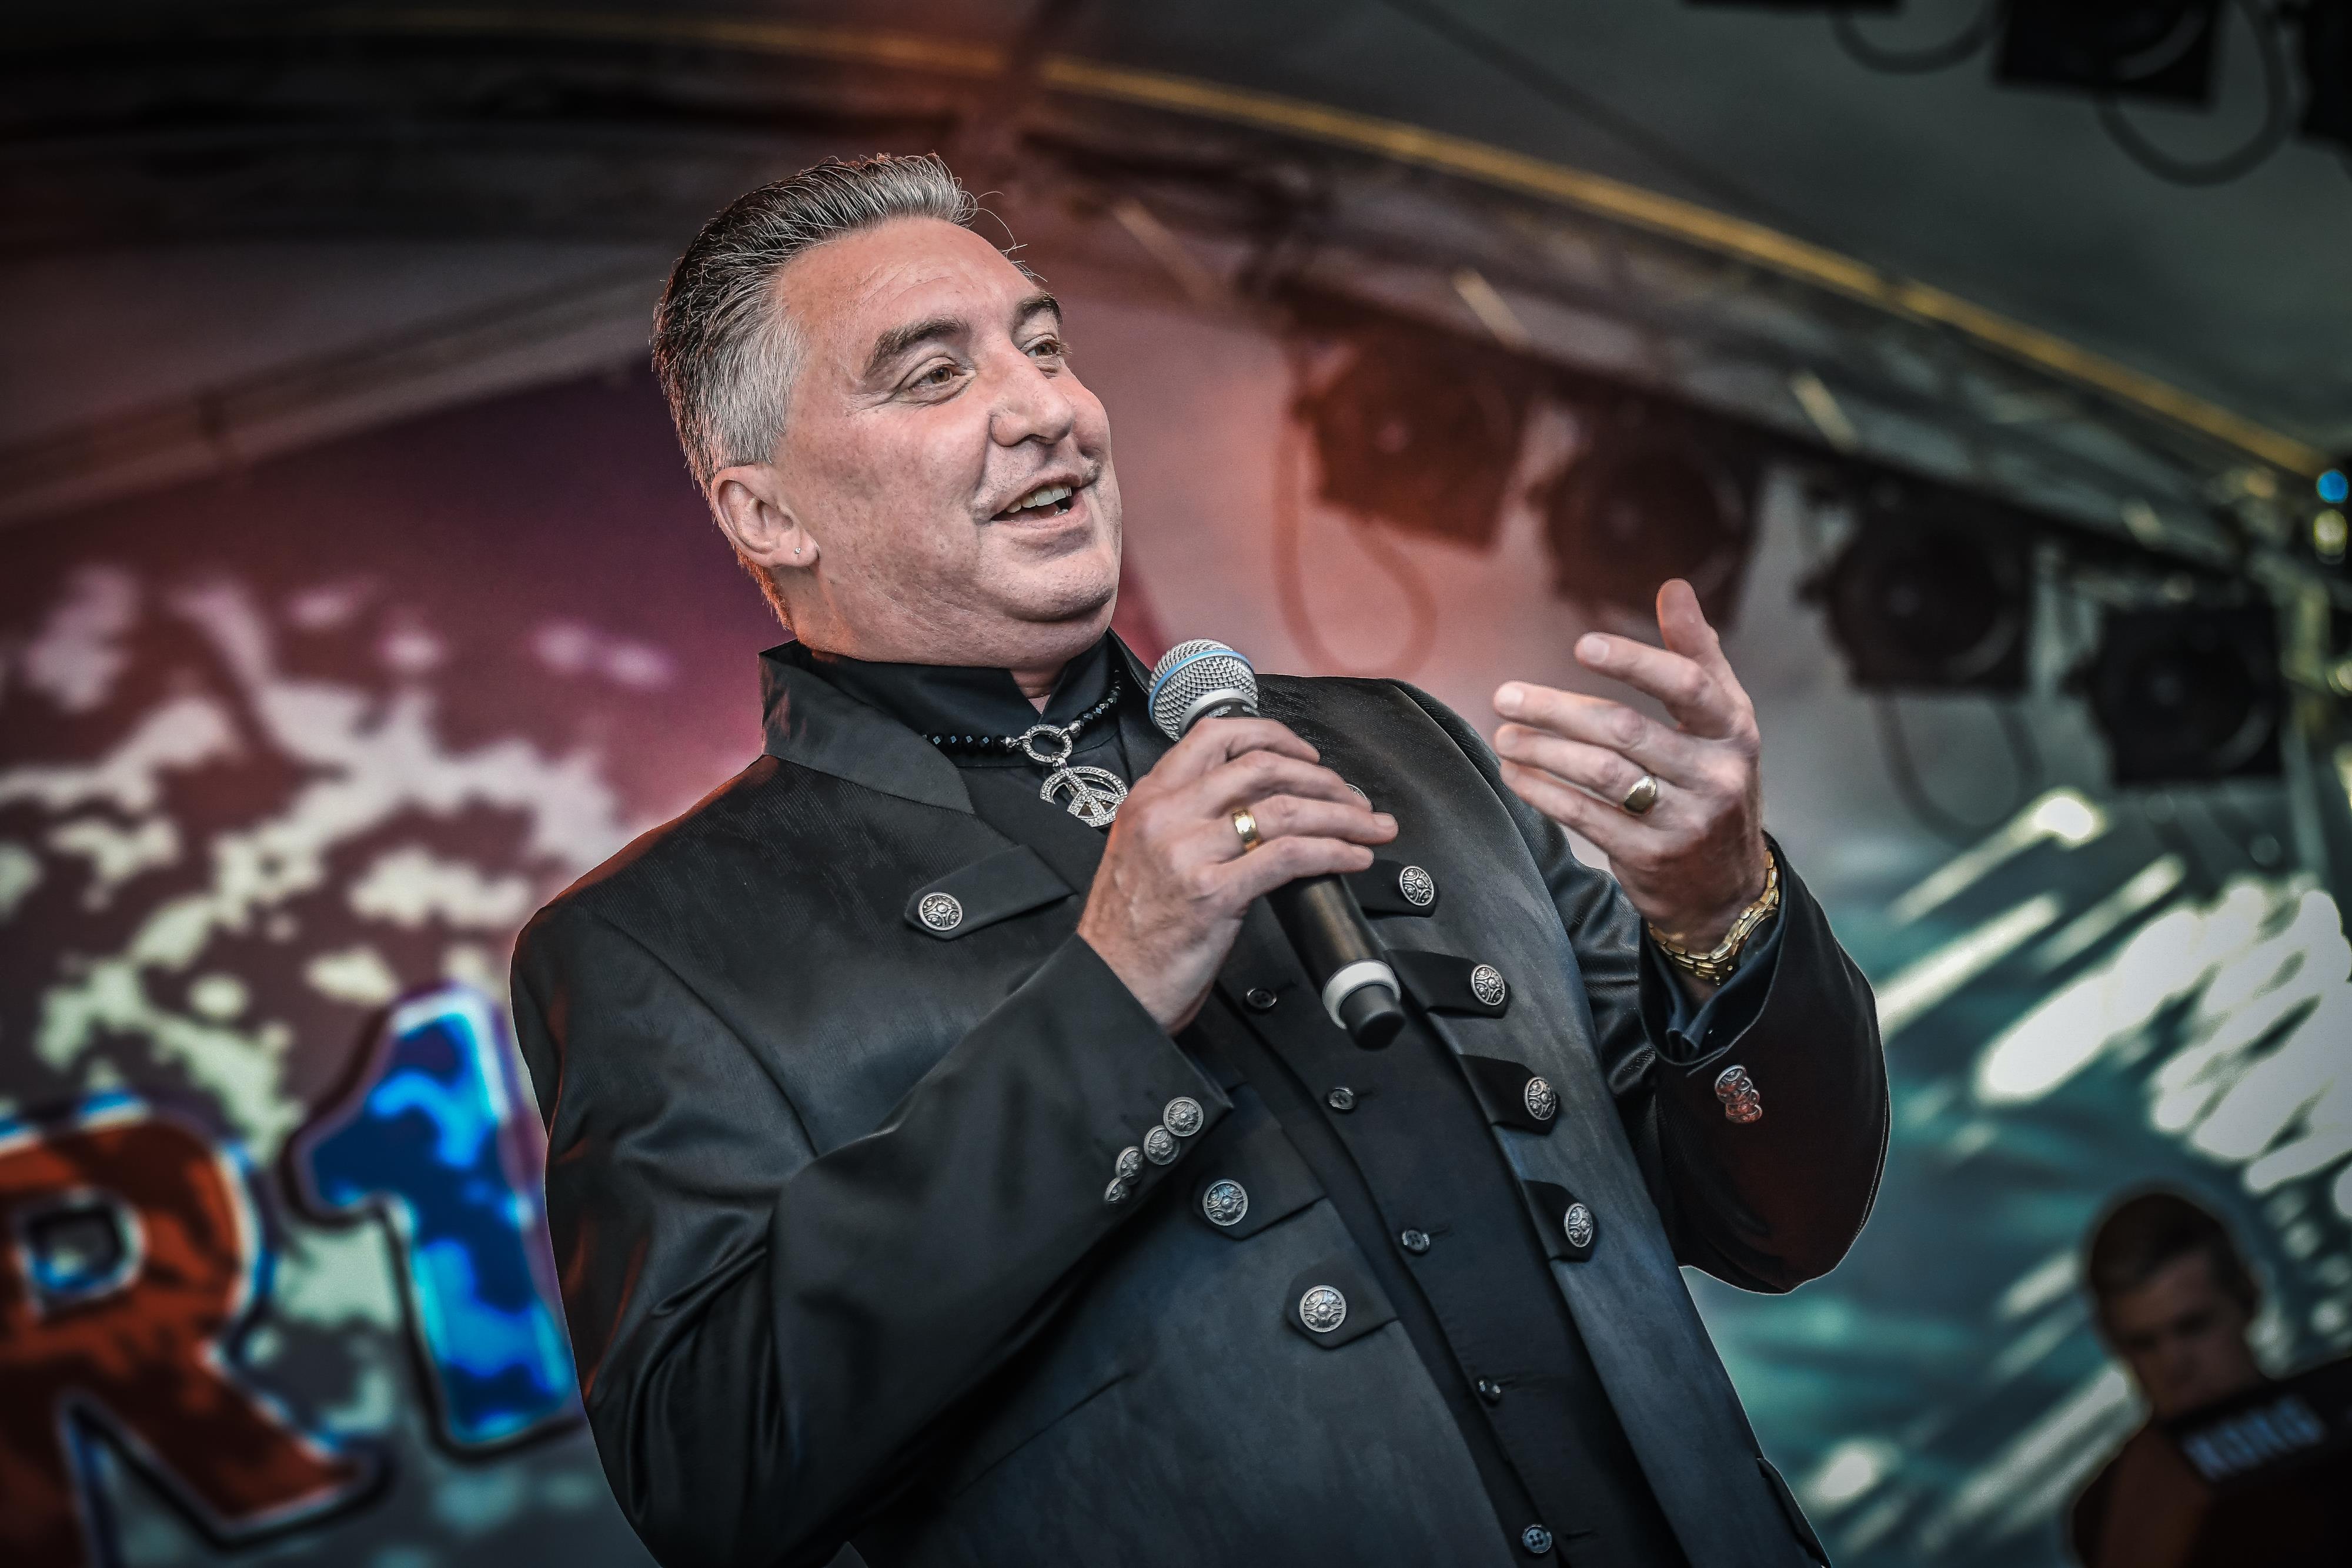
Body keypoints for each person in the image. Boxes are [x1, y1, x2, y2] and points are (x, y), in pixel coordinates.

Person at [512, 152, 1887, 1568]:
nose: (1045, 408)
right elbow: (711, 1467)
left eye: (1044, 347)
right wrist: (1106, 1001)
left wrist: (1720, 922)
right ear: (766, 513)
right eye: (933, 377)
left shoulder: (1397, 745)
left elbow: (1780, 1223)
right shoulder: (660, 945)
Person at [2070, 1189, 2346, 1568]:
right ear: (2113, 1340)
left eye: (2194, 1326)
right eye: (2143, 1343)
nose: (2174, 1364)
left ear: (2248, 1296)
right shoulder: (2117, 1505)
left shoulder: (2339, 1414)